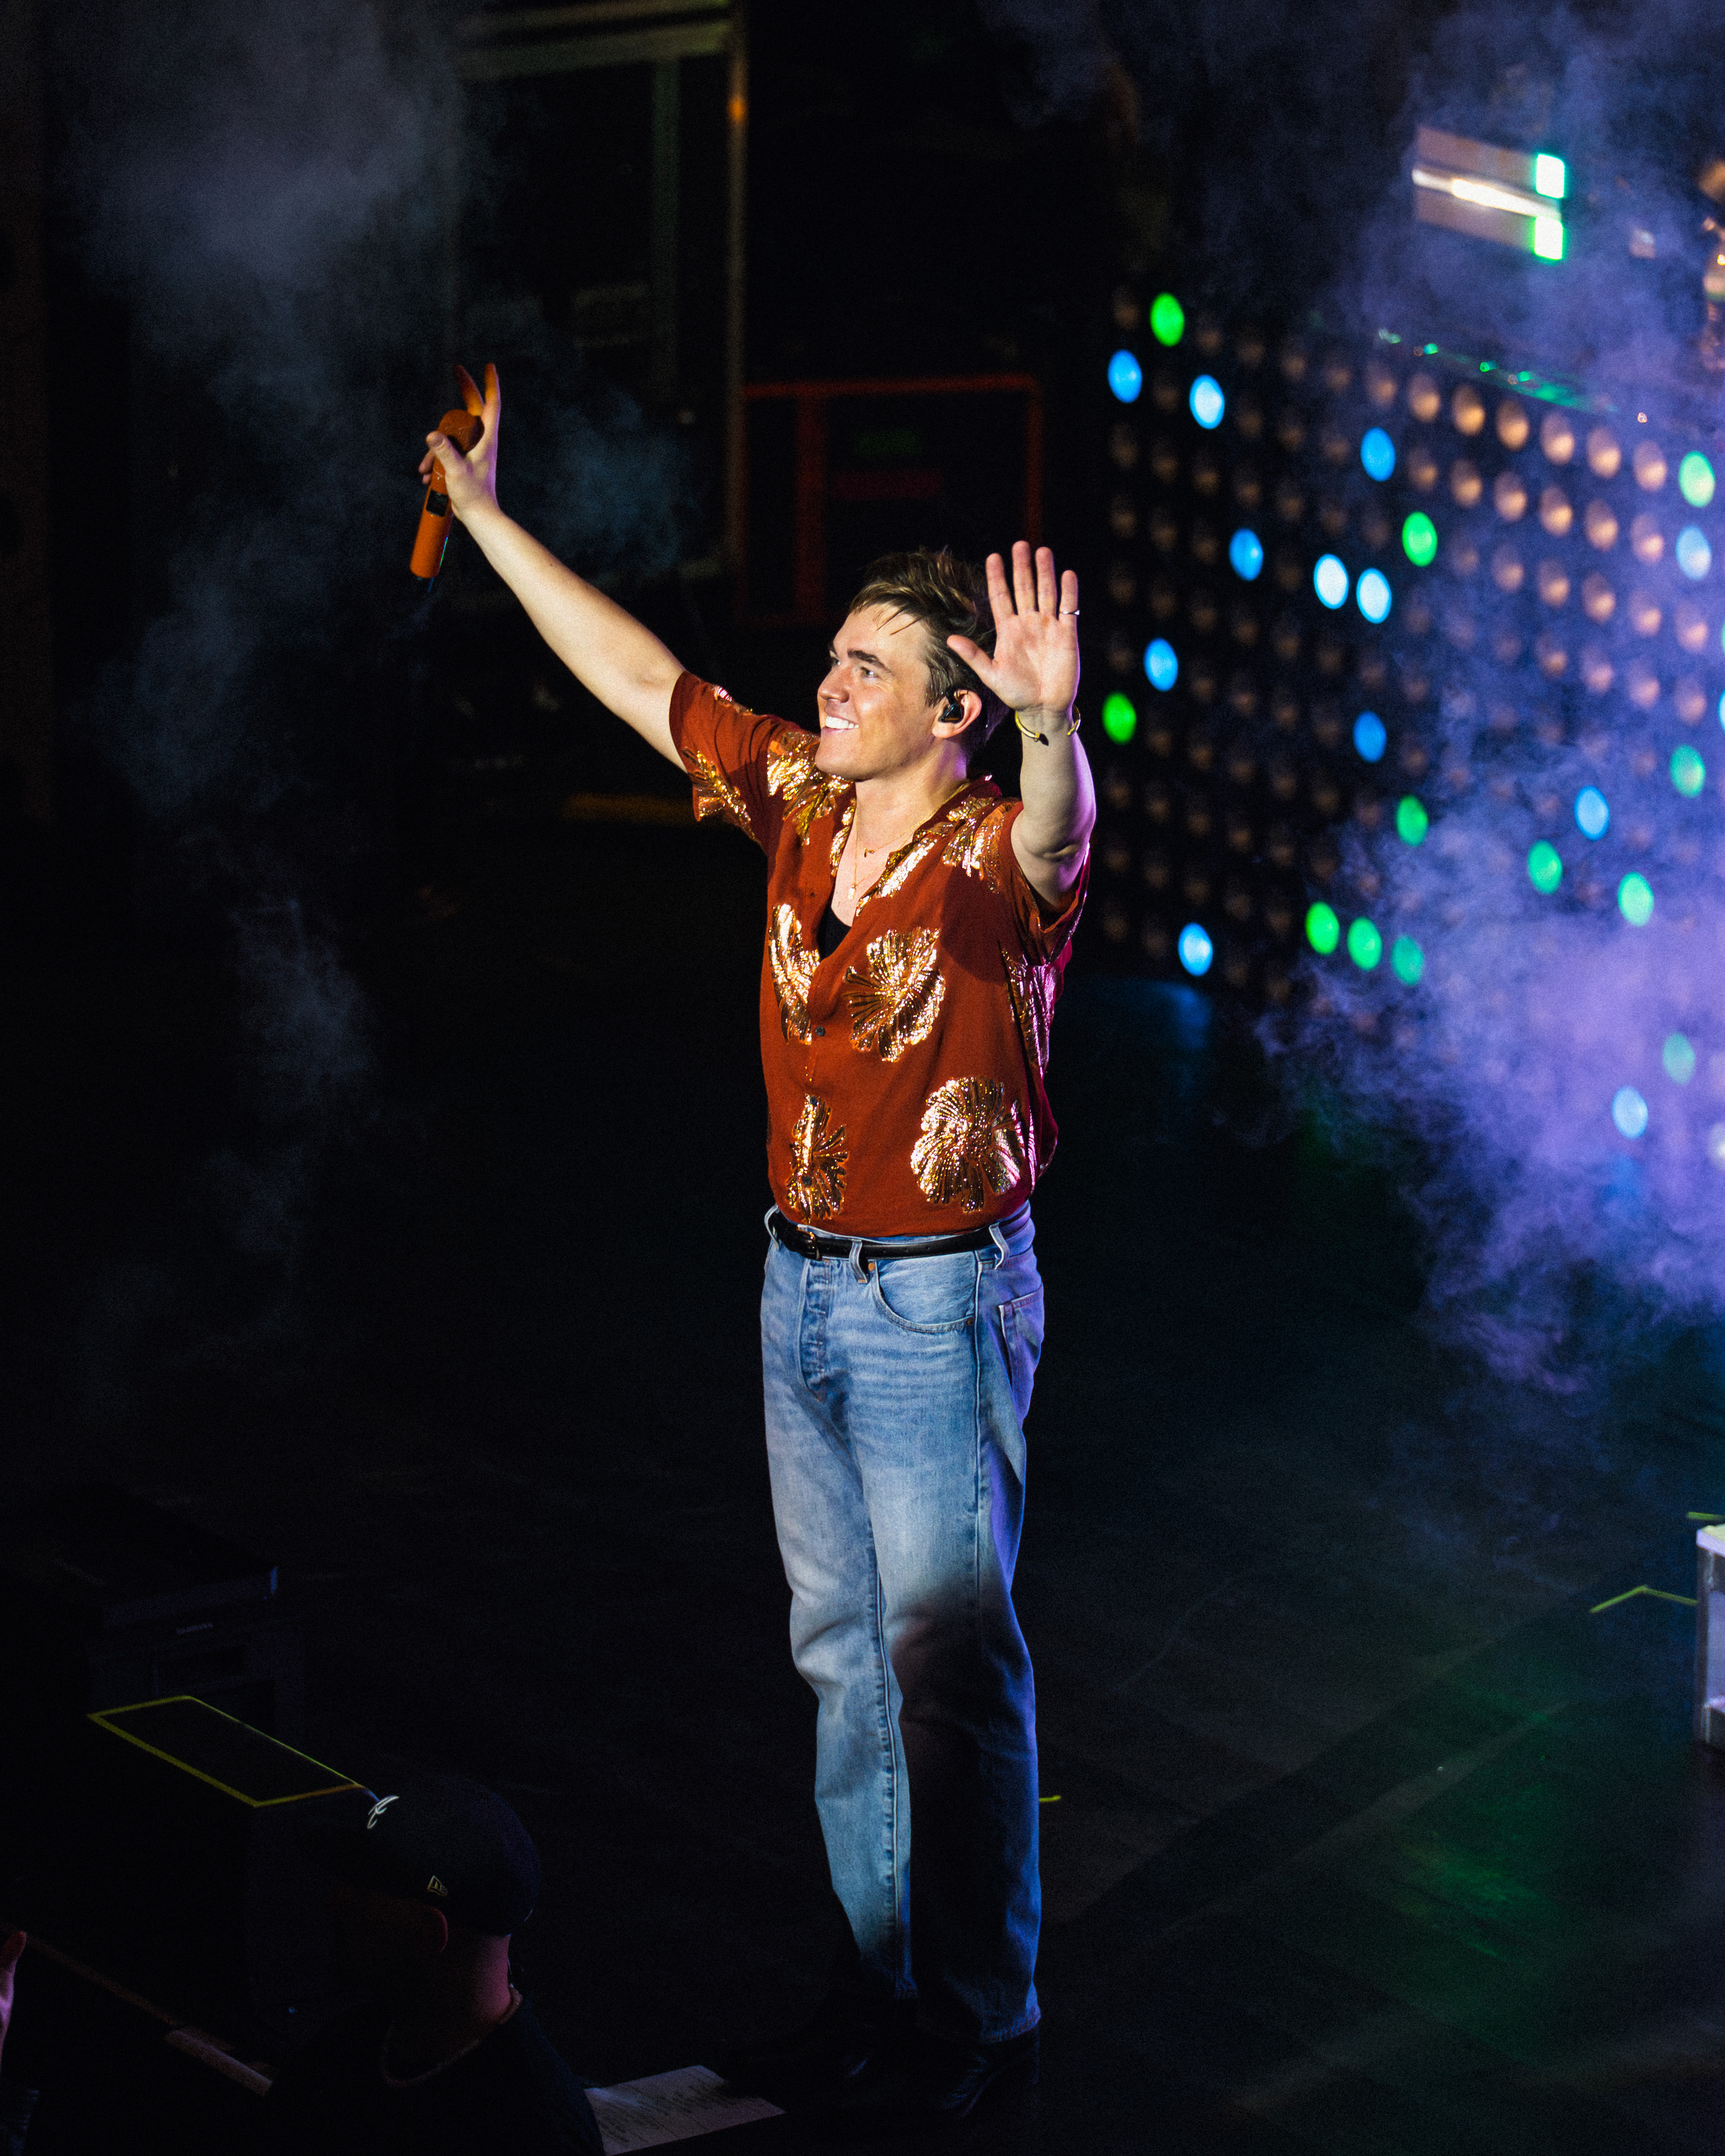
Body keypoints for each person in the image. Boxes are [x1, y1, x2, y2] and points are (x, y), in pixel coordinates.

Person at [422, 367, 1092, 2126]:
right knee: (840, 1656)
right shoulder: (797, 793)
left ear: (951, 707)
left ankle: (980, 2013)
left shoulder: (985, 856)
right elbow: (641, 680)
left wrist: (1050, 725)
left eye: (868, 668)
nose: (831, 683)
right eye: (835, 659)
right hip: (799, 1278)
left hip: (933, 1300)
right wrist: (485, 520)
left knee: (948, 1668)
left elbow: (1059, 831)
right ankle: (873, 1980)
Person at [267, 1775, 600, 2153]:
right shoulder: (343, 2052)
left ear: (428, 1932)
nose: (334, 1901)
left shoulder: (536, 2134)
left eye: (360, 1891)